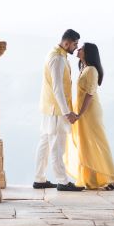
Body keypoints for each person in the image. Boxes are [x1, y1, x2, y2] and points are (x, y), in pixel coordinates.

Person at [33, 28, 84, 192]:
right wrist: (66, 111)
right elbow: (57, 88)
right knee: (56, 146)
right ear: (66, 42)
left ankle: (39, 179)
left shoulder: (57, 55)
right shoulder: (57, 58)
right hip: (56, 110)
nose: (76, 47)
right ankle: (62, 181)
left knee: (45, 143)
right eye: (75, 44)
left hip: (50, 108)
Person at [65, 43, 114, 191]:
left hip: (89, 111)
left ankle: (113, 178)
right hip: (82, 111)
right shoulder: (84, 68)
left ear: (88, 52)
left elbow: (89, 95)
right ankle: (91, 180)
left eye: (81, 48)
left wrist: (79, 114)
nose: (78, 50)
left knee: (98, 142)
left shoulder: (91, 70)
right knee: (85, 143)